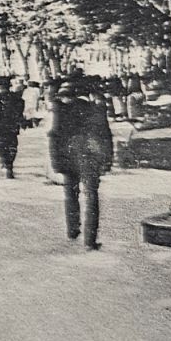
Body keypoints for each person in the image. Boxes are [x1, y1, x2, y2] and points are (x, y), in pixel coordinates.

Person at [50, 78, 115, 250]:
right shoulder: (96, 110)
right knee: (91, 197)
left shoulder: (61, 111)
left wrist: (56, 162)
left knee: (70, 195)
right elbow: (105, 136)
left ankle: (72, 229)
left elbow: (54, 136)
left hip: (68, 157)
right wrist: (107, 160)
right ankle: (90, 240)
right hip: (90, 158)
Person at [0, 80, 24, 180]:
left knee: (0, 145)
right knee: (12, 145)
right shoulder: (17, 99)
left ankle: (4, 163)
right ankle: (9, 165)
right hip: (12, 127)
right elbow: (20, 111)